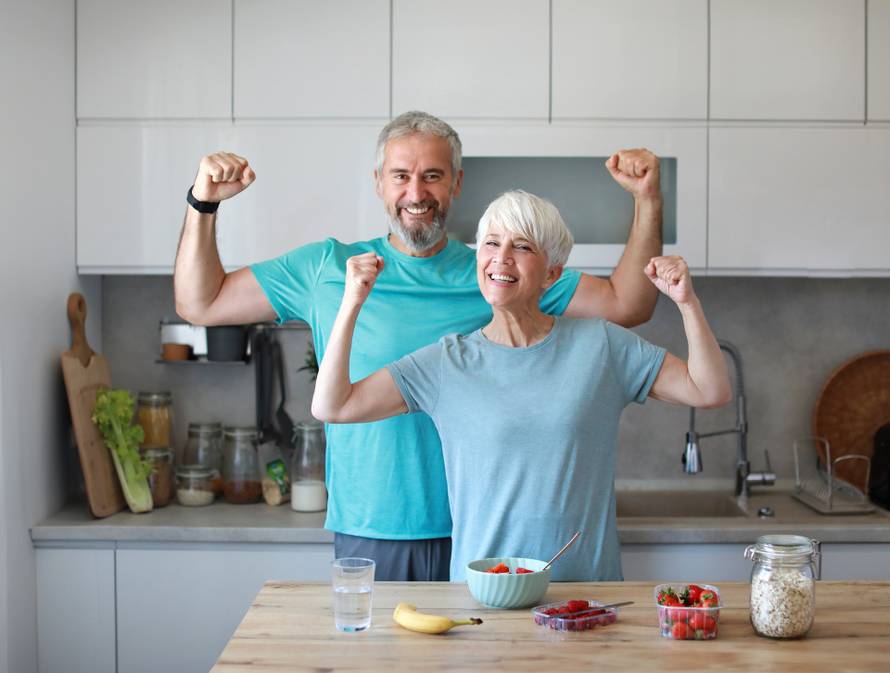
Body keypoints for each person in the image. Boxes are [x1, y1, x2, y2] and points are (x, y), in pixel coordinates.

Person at [174, 111, 664, 581]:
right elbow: (202, 303)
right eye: (401, 175)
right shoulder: (329, 269)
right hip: (376, 530)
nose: (416, 192)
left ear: (457, 184)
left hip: (489, 536)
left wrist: (647, 200)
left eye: (432, 176)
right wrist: (203, 204)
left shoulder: (498, 270)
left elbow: (628, 304)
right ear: (378, 182)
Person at [311, 190, 731, 581]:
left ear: (552, 273)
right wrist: (352, 303)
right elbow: (334, 406)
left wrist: (687, 304)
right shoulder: (446, 362)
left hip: (584, 597)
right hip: (486, 596)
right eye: (492, 243)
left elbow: (709, 390)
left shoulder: (600, 345)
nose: (501, 258)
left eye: (523, 246)